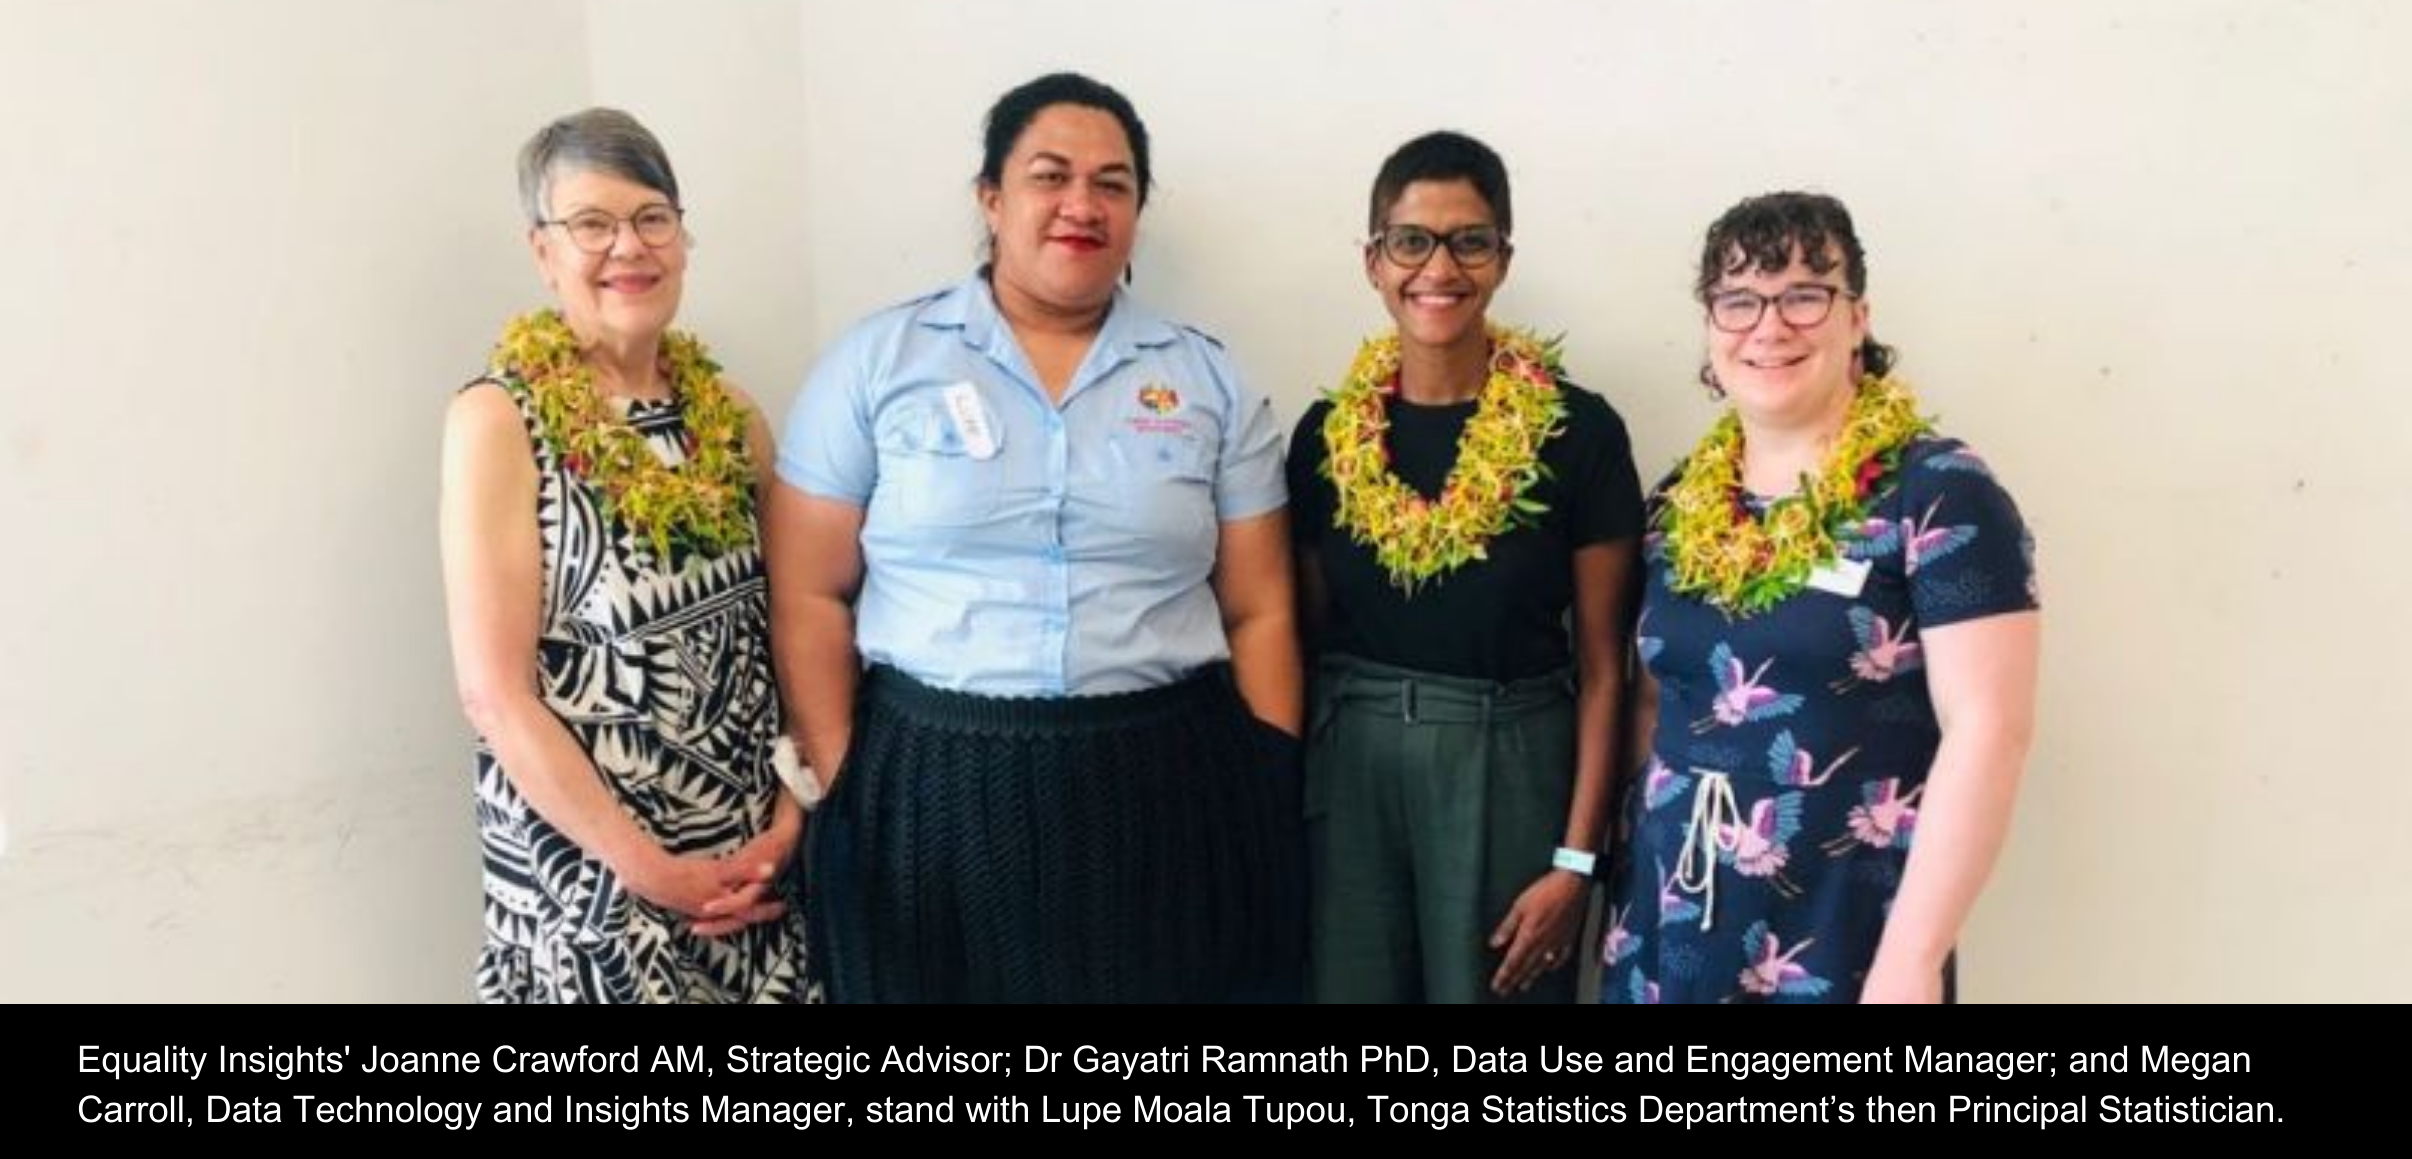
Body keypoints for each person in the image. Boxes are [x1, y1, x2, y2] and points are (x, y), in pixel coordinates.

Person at [769, 72, 1303, 1003]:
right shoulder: (878, 361)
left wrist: (1264, 777)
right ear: (991, 199)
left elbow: (1259, 607)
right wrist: (845, 775)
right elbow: (810, 591)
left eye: (1113, 183)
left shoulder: (1208, 379)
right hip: (927, 785)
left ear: (1138, 210)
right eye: (1050, 177)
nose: (1081, 206)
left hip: (1166, 787)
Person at [1602, 191, 2041, 1004]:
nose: (1768, 326)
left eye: (1804, 294)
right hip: (1672, 919)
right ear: (1710, 325)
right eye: (1739, 300)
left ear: (1858, 316)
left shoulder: (1938, 493)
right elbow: (1654, 705)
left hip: (1844, 932)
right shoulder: (1680, 501)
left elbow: (1992, 730)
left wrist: (1911, 961)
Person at [439, 107, 812, 1003]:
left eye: (652, 217)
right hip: (592, 887)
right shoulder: (498, 420)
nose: (628, 248)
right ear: (542, 251)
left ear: (683, 237)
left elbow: (793, 631)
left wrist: (791, 819)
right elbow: (495, 693)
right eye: (591, 225)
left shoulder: (730, 414)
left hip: (749, 876)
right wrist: (643, 865)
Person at [1285, 132, 1643, 1004]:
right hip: (1355, 767)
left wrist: (1576, 861)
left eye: (1468, 240)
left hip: (1510, 761)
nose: (1437, 267)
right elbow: (1301, 636)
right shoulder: (1326, 436)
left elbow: (1606, 668)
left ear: (1502, 259)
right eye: (1411, 240)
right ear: (1373, 261)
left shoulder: (1578, 433)